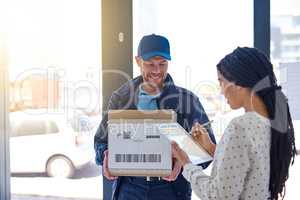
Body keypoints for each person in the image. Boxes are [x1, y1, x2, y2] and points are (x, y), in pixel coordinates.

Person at [94, 34, 216, 200]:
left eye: (162, 64)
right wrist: (107, 158)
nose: (157, 71)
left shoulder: (187, 101)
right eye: (150, 64)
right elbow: (100, 143)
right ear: (138, 61)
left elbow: (207, 150)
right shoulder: (121, 98)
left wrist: (183, 162)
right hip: (130, 188)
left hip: (170, 189)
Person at [171, 47, 297, 200]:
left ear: (238, 82)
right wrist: (211, 148)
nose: (221, 92)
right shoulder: (271, 122)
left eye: (221, 82)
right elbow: (248, 170)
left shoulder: (240, 127)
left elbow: (218, 196)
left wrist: (186, 164)